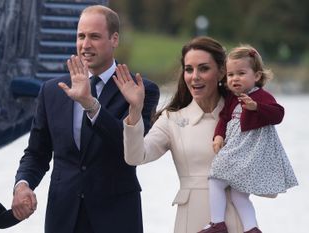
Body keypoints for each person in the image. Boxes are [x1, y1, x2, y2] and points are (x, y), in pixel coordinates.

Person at [11, 5, 160, 233]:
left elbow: (131, 150)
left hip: (116, 218)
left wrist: (91, 105)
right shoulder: (52, 90)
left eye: (94, 37)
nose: (85, 44)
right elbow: (36, 153)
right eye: (81, 36)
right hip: (64, 217)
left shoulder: (141, 90)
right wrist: (22, 185)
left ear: (114, 39)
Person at [113, 36, 244, 233]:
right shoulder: (172, 119)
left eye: (204, 68)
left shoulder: (242, 114)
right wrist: (135, 110)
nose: (195, 76)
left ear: (222, 72)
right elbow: (135, 157)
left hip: (236, 219)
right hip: (191, 221)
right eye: (189, 69)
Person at [198, 45, 298, 233]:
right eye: (230, 75)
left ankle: (217, 223)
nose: (235, 79)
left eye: (241, 73)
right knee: (238, 195)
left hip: (250, 152)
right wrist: (218, 135)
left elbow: (278, 115)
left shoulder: (262, 96)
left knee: (215, 178)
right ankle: (252, 229)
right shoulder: (232, 98)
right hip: (236, 149)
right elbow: (224, 118)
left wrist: (256, 107)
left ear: (257, 76)